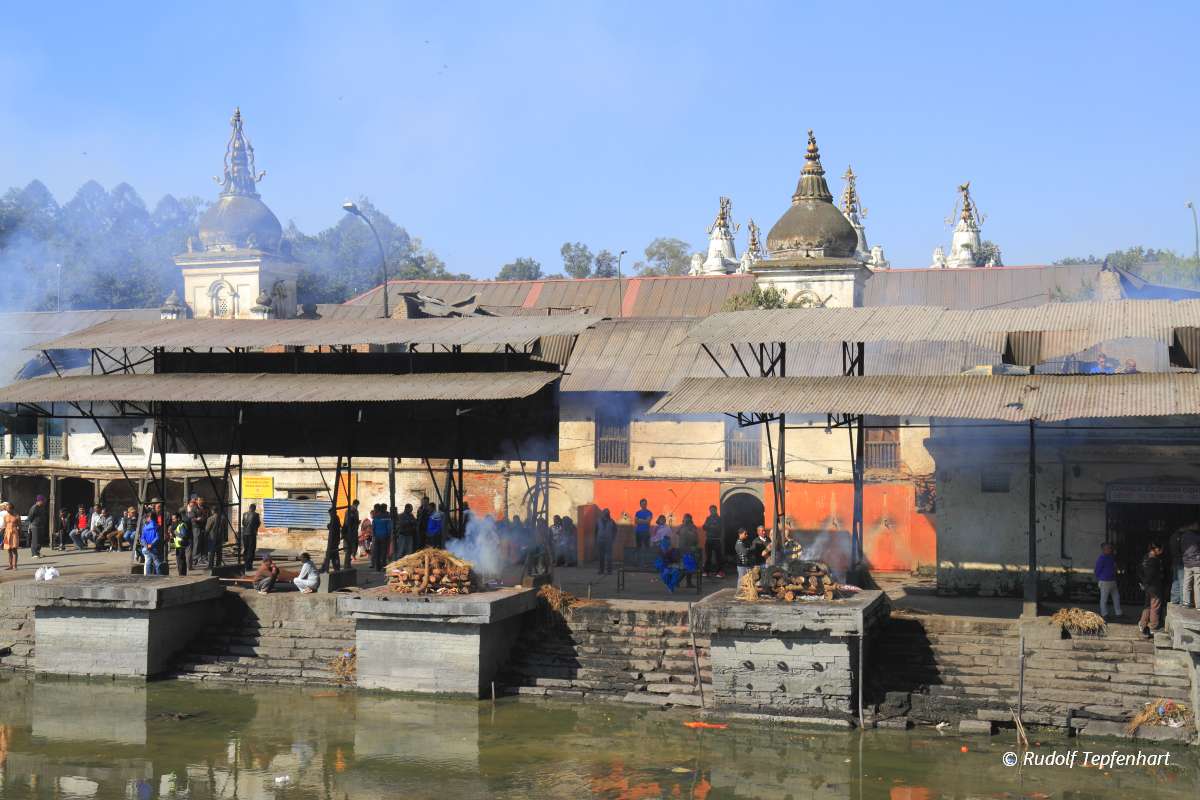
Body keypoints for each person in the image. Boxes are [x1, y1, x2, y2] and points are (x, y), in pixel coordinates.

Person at [1138, 541, 1167, 639]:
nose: (1162, 551)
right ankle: (1153, 627)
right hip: (1154, 587)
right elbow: (1151, 575)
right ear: (1155, 549)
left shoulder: (1145, 558)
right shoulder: (1154, 561)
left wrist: (1142, 583)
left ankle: (1142, 625)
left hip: (1147, 587)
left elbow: (1140, 572)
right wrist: (1146, 583)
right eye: (1160, 549)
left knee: (1147, 606)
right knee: (1155, 607)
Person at [1094, 542, 1122, 620]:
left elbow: (1113, 567)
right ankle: (1104, 614)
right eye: (1108, 548)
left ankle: (1118, 613)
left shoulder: (1110, 557)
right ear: (1103, 550)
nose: (1110, 549)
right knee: (1104, 599)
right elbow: (1097, 570)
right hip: (1105, 580)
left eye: (1110, 548)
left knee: (1116, 597)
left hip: (1111, 580)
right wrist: (1100, 578)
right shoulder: (1102, 558)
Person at [702, 505, 724, 578]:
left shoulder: (719, 519)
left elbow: (718, 528)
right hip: (709, 540)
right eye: (710, 510)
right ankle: (706, 571)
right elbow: (704, 527)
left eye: (713, 510)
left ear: (716, 510)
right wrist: (711, 526)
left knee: (718, 557)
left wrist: (710, 526)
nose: (712, 511)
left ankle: (719, 572)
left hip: (716, 540)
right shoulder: (708, 518)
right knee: (708, 556)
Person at [1181, 524, 1200, 609]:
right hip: (1197, 563)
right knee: (1197, 584)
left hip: (1187, 563)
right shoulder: (1197, 537)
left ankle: (1186, 602)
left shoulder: (1183, 537)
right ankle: (1199, 605)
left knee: (1186, 583)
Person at [371, 503, 393, 570]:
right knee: (384, 552)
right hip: (385, 536)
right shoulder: (387, 517)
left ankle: (377, 567)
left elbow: (373, 527)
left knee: (377, 552)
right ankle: (383, 566)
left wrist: (374, 535)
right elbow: (389, 528)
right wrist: (389, 535)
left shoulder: (375, 517)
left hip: (377, 536)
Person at [240, 503, 261, 573]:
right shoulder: (256, 515)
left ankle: (245, 564)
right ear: (254, 508)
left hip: (245, 534)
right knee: (251, 550)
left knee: (246, 549)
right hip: (252, 534)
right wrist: (254, 528)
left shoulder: (244, 514)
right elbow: (258, 523)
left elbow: (243, 523)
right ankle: (249, 566)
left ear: (249, 508)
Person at [595, 508, 616, 575]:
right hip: (600, 541)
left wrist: (612, 538)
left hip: (608, 541)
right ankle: (601, 570)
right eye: (604, 513)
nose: (606, 514)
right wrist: (596, 539)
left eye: (607, 513)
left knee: (609, 557)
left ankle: (609, 571)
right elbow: (596, 531)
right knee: (601, 556)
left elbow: (615, 530)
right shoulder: (598, 521)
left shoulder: (612, 521)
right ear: (602, 514)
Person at [320, 507, 342, 573]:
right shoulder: (336, 518)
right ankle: (336, 568)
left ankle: (324, 568)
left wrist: (328, 526)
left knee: (330, 554)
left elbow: (333, 528)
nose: (329, 515)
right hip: (335, 539)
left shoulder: (334, 518)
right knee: (334, 555)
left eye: (330, 513)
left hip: (333, 540)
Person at [26, 495, 47, 559]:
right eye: (43, 501)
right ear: (39, 501)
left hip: (41, 525)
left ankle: (37, 552)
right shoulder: (34, 508)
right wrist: (30, 525)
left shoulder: (42, 507)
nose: (44, 502)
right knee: (35, 540)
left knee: (40, 540)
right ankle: (34, 554)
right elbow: (30, 517)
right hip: (35, 525)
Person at [170, 511, 190, 576]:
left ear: (178, 518)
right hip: (178, 545)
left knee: (181, 561)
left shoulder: (181, 525)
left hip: (181, 545)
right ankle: (181, 574)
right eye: (172, 519)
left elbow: (184, 535)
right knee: (179, 561)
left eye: (174, 519)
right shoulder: (177, 525)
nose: (173, 520)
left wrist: (176, 533)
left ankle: (182, 575)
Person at [342, 499, 360, 566]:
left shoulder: (351, 511)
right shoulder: (352, 511)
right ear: (356, 504)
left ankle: (350, 558)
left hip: (351, 530)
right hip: (351, 531)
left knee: (352, 545)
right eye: (357, 505)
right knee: (352, 545)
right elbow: (348, 522)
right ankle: (350, 559)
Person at [3, 502, 19, 570]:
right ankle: (10, 565)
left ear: (12, 509)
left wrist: (19, 534)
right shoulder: (5, 516)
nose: (7, 510)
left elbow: (19, 526)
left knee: (14, 549)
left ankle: (15, 565)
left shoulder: (17, 516)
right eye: (6, 509)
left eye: (8, 509)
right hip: (7, 533)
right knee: (9, 550)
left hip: (14, 533)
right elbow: (5, 525)